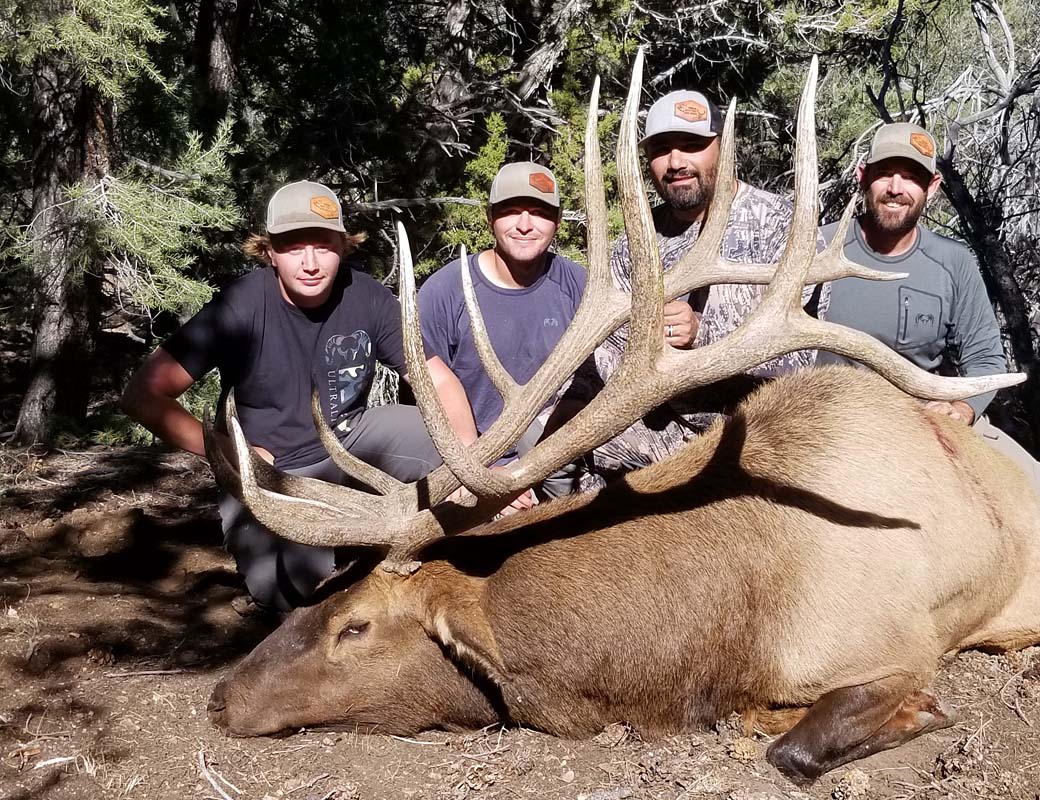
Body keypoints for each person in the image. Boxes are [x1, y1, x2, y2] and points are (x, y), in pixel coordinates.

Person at [121, 180, 444, 611]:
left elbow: (437, 380)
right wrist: (232, 454)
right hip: (273, 473)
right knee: (305, 603)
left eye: (324, 245)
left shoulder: (366, 294)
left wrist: (475, 465)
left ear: (344, 246)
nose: (310, 263)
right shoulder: (241, 304)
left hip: (352, 442)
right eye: (293, 247)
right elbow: (144, 394)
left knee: (448, 443)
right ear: (269, 251)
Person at [562, 89, 828, 478]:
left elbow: (799, 359)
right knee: (573, 454)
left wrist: (703, 334)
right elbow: (602, 360)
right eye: (661, 149)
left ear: (724, 148)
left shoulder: (783, 226)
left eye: (692, 145)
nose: (675, 162)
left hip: (752, 434)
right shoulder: (633, 243)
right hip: (656, 428)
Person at [819, 122, 1040, 520]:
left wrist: (962, 408)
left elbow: (987, 360)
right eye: (885, 172)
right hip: (831, 423)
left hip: (924, 423)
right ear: (863, 177)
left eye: (912, 176)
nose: (897, 187)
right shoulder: (819, 247)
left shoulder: (953, 261)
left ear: (932, 187)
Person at [417, 163, 587, 501]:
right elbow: (427, 398)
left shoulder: (578, 284)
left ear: (557, 220)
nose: (524, 225)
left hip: (549, 447)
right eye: (510, 212)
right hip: (467, 457)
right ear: (489, 216)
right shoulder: (444, 292)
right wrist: (480, 476)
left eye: (539, 213)